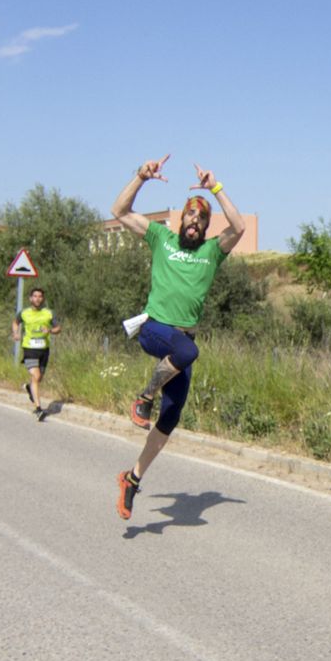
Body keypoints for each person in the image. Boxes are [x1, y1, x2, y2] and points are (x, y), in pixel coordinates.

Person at [110, 155, 244, 519]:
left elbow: (239, 226)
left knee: (171, 417)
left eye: (202, 218)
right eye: (190, 215)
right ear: (180, 218)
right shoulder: (160, 238)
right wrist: (141, 176)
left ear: (205, 226)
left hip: (180, 346)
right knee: (187, 350)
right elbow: (120, 210)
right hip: (155, 329)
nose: (195, 222)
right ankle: (143, 397)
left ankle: (132, 479)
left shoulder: (212, 252)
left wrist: (214, 188)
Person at [11, 287, 62, 421]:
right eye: (35, 296)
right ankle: (39, 409)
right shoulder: (24, 313)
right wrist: (16, 333)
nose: (37, 299)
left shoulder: (48, 313)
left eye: (40, 296)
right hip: (29, 348)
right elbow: (15, 322)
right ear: (30, 298)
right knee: (36, 375)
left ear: (43, 299)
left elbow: (58, 328)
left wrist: (50, 330)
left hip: (44, 350)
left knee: (38, 379)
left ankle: (29, 388)